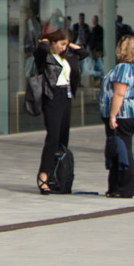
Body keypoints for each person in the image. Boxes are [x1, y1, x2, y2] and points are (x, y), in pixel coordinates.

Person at [32, 27, 85, 194]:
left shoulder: (66, 56)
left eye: (66, 44)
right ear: (52, 43)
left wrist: (70, 45)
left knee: (63, 137)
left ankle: (58, 174)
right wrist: (46, 41)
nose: (64, 47)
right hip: (52, 97)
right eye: (61, 44)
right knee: (52, 137)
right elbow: (41, 49)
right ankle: (43, 175)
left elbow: (84, 53)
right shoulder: (45, 57)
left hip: (66, 97)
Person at [99, 35, 134, 199]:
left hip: (123, 114)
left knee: (122, 150)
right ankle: (115, 186)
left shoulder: (123, 68)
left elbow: (119, 93)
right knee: (121, 148)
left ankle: (125, 187)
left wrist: (112, 115)